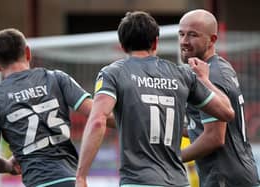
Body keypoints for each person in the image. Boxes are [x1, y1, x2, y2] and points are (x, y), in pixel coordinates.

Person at [75, 11, 234, 187]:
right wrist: (205, 80)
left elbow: (98, 121)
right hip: (179, 182)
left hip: (139, 181)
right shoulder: (182, 75)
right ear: (156, 42)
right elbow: (227, 112)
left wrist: (81, 176)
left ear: (122, 45)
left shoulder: (113, 73)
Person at [0, 28, 93, 187]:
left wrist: (9, 166)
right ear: (27, 52)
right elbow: (98, 114)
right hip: (72, 179)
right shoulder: (56, 78)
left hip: (37, 181)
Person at [179, 9, 260, 187]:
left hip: (226, 178)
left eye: (192, 35)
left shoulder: (210, 75)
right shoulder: (217, 67)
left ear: (212, 40)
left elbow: (214, 137)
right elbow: (200, 127)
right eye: (181, 34)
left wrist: (171, 159)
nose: (184, 41)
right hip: (232, 175)